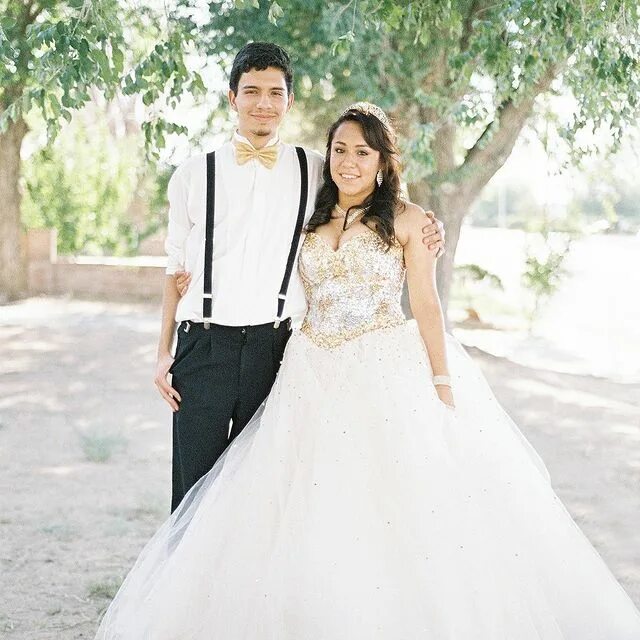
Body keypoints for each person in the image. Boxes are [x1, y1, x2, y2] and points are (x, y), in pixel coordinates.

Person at [96, 103, 640, 638]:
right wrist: (191, 285)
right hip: (308, 368)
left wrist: (442, 377)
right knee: (297, 501)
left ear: (382, 160)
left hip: (381, 366)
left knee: (391, 503)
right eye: (339, 149)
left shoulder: (408, 219)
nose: (348, 161)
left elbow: (426, 303)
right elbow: (247, 236)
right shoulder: (312, 207)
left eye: (362, 151)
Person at [153, 42, 444, 512]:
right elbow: (174, 269)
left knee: (262, 488)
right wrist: (162, 351)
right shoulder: (192, 174)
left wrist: (428, 226)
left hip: (276, 349)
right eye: (251, 92)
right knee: (192, 492)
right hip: (202, 346)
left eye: (274, 93)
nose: (262, 103)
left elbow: (371, 198)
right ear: (232, 98)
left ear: (289, 101)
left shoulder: (316, 169)